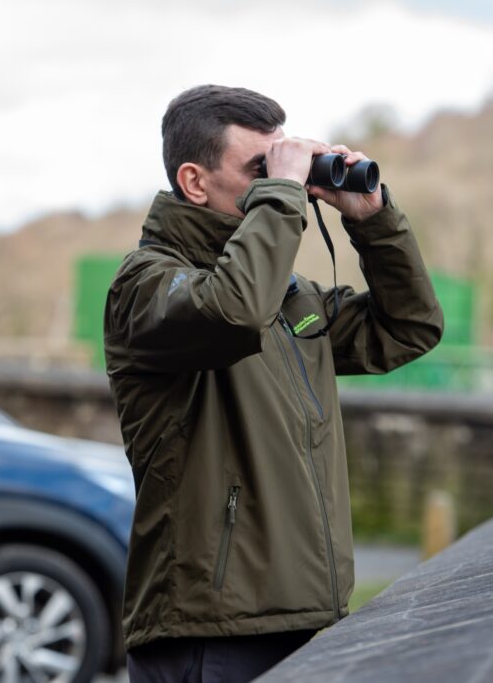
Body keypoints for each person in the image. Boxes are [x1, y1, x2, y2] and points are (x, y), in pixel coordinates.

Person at [103, 84, 444, 682]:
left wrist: (374, 221)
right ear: (194, 181)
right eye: (259, 168)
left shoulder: (291, 301)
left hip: (307, 617)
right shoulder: (146, 286)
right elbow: (230, 312)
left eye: (282, 162)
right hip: (208, 633)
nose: (279, 178)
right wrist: (284, 194)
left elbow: (409, 327)